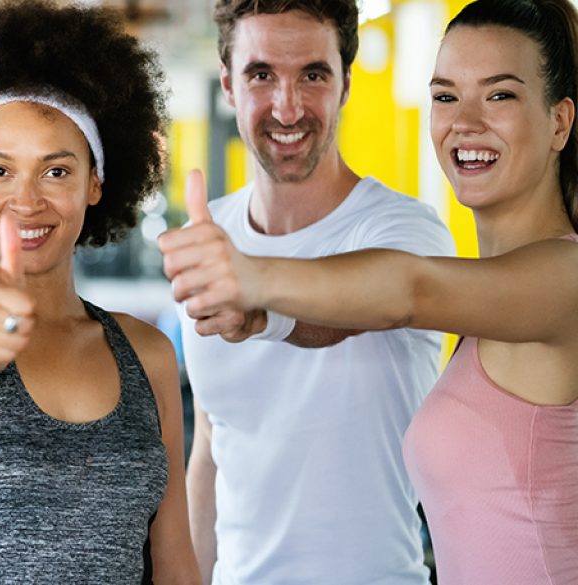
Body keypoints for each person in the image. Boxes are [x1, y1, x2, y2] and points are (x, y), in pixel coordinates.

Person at [164, 0, 578, 583]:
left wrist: (256, 294)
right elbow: (213, 445)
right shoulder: (497, 299)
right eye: (444, 96)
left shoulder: (553, 273)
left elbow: (403, 292)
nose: (466, 120)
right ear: (228, 83)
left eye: (500, 94)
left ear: (560, 121)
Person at [0, 1, 200, 582]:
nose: (27, 201)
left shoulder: (147, 355)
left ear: (96, 182)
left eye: (56, 170)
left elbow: (175, 562)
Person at [159, 1, 457, 584]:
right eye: (262, 74)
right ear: (228, 83)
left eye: (313, 75)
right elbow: (215, 452)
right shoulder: (208, 239)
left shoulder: (406, 232)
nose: (287, 106)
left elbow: (370, 304)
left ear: (346, 82)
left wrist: (260, 309)